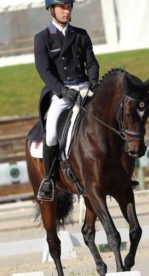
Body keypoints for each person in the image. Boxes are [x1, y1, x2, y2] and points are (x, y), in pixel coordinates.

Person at [34, 0, 100, 201]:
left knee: (107, 118)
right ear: (51, 10)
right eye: (62, 7)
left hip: (83, 88)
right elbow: (44, 70)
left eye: (69, 6)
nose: (67, 10)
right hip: (61, 93)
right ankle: (49, 179)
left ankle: (120, 169)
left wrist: (94, 83)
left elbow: (92, 63)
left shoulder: (80, 34)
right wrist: (62, 91)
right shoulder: (43, 38)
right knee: (52, 133)